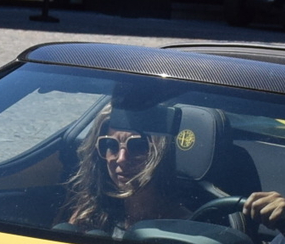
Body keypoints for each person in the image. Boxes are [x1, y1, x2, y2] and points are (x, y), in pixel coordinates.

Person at [58, 99, 218, 236]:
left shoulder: (186, 228)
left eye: (137, 146)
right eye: (111, 145)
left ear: (160, 155)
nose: (121, 159)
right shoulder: (91, 214)